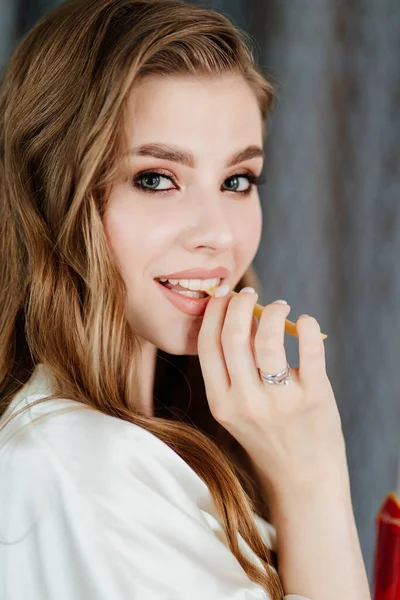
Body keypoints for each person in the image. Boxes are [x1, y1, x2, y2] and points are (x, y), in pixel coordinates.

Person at [0, 1, 371, 599]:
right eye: (156, 179)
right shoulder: (82, 468)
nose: (219, 234)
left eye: (237, 181)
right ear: (51, 191)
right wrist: (313, 477)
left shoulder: (144, 440)